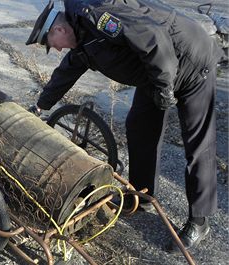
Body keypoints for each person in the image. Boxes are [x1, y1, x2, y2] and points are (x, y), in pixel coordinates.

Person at [26, 0, 224, 252]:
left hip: (190, 61)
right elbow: (67, 71)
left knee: (198, 145)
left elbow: (153, 37)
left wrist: (165, 87)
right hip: (156, 71)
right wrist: (40, 106)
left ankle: (199, 220)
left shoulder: (99, 19)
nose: (55, 50)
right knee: (139, 127)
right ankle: (142, 196)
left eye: (50, 45)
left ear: (59, 30)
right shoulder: (83, 39)